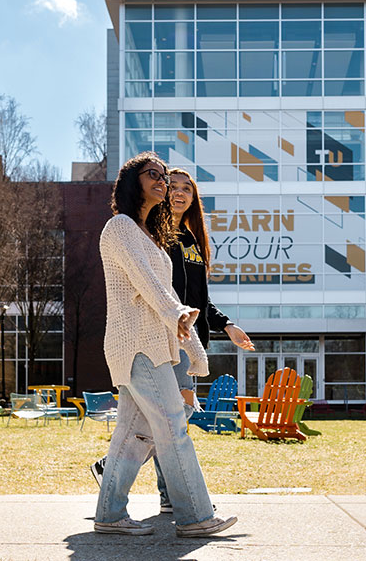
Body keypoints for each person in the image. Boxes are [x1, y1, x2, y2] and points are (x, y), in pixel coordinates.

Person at [93, 152, 237, 538]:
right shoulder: (119, 227)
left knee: (132, 433)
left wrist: (186, 334)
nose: (162, 181)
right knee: (174, 428)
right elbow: (150, 285)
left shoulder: (149, 236)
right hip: (136, 346)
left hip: (154, 345)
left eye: (164, 176)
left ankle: (109, 515)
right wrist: (179, 317)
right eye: (152, 175)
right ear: (131, 181)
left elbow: (165, 290)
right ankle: (195, 517)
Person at [152, 167, 255, 513]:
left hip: (188, 339)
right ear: (163, 192)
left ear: (194, 198)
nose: (179, 193)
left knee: (169, 416)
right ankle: (170, 494)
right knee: (174, 416)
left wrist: (228, 326)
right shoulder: (152, 232)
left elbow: (201, 300)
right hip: (163, 335)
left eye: (187, 189)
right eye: (174, 187)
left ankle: (114, 466)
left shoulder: (192, 240)